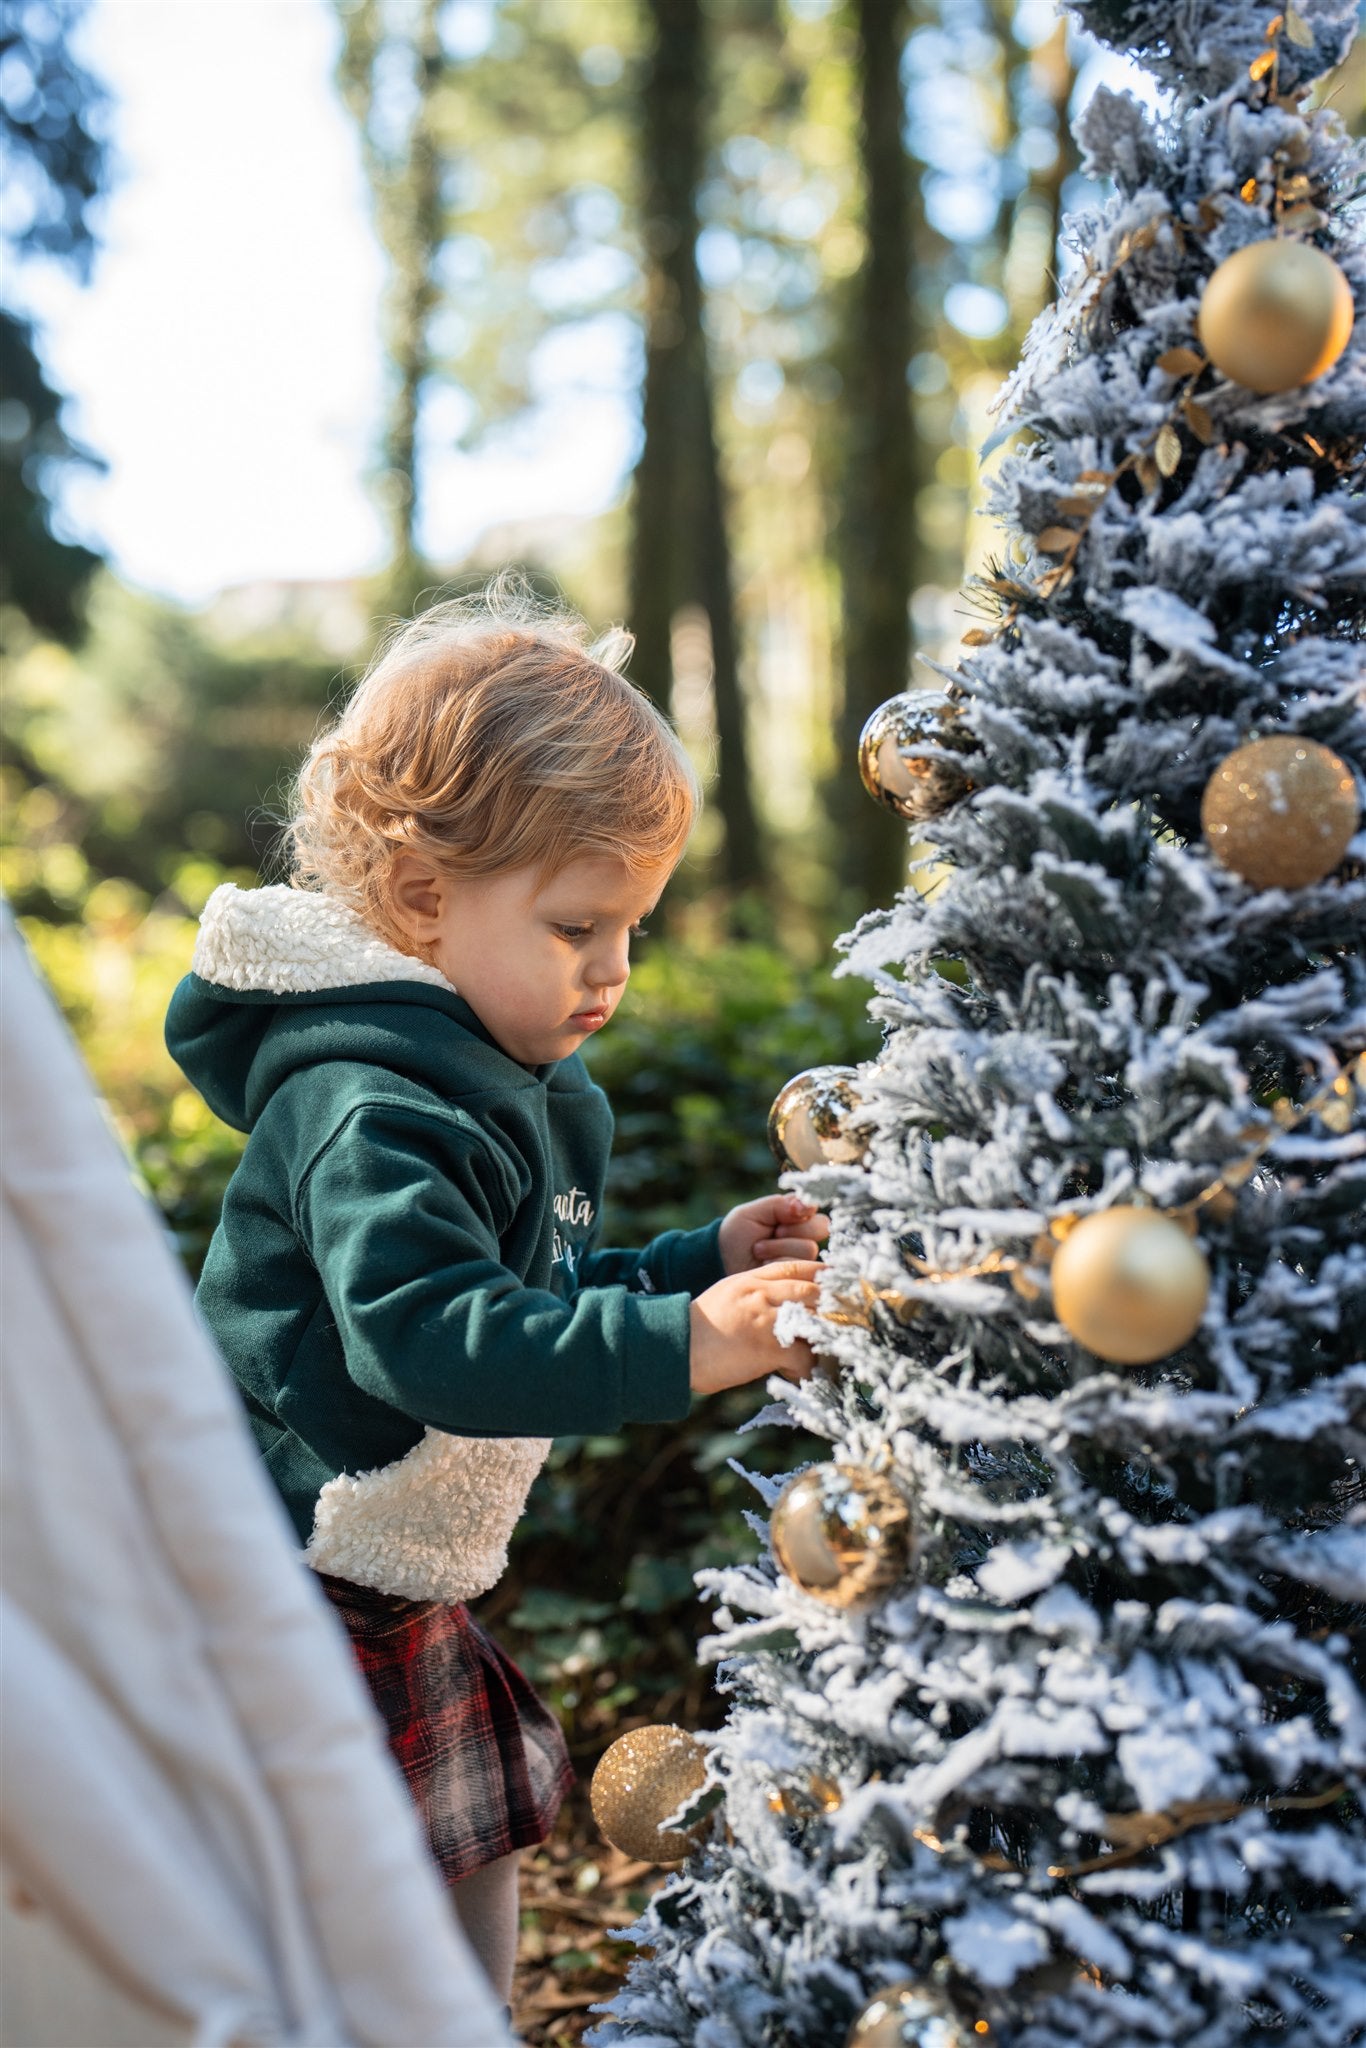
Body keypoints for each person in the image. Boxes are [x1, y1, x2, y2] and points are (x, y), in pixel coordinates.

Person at [165, 581, 828, 2009]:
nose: (612, 972)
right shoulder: (370, 1107)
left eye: (632, 931)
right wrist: (685, 1346)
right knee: (331, 1877)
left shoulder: (507, 1080)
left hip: (399, 1570)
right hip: (298, 1573)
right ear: (420, 900)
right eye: (578, 927)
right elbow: (437, 1342)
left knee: (474, 1834)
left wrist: (691, 1268)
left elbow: (540, 1290)